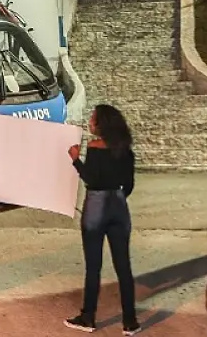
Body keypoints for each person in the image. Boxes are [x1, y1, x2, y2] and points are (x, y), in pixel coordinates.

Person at [64, 104, 140, 335]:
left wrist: (76, 160)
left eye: (93, 119)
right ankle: (130, 322)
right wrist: (116, 197)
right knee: (123, 266)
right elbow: (129, 185)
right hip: (119, 206)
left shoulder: (95, 147)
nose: (89, 122)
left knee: (94, 266)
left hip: (97, 206)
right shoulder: (126, 150)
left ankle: (88, 317)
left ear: (101, 124)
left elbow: (91, 178)